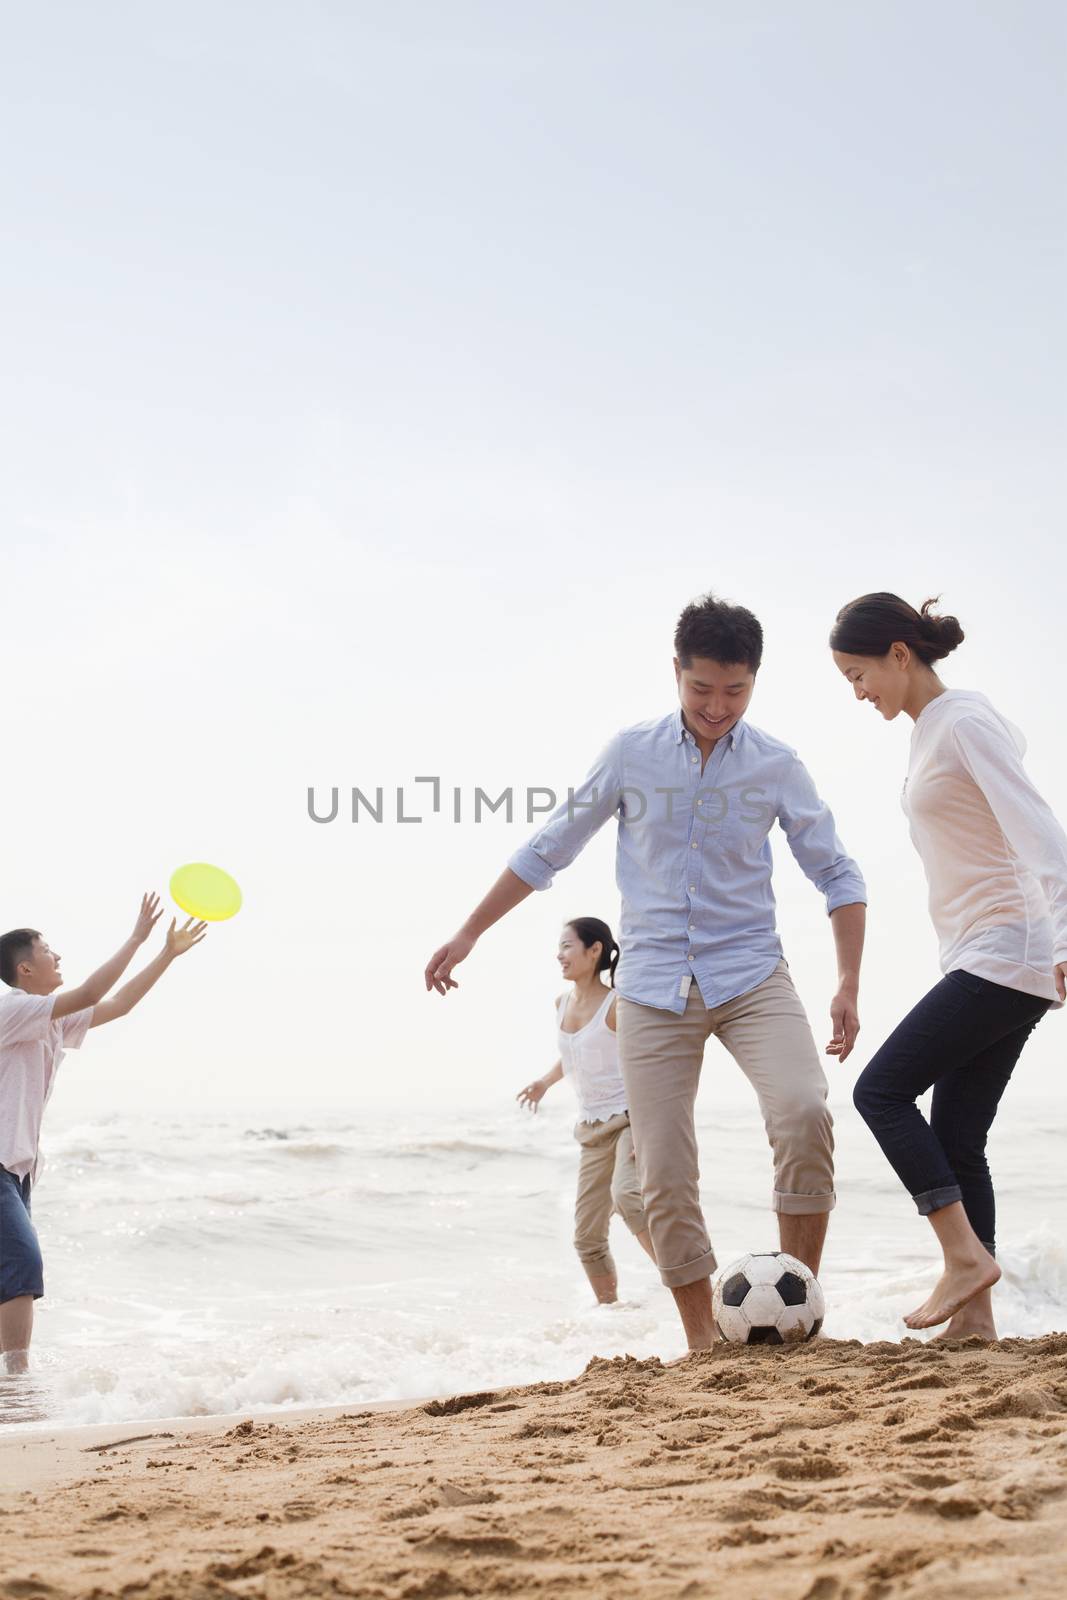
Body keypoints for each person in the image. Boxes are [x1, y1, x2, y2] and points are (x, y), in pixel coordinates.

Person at [426, 592, 867, 1351]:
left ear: (754, 680)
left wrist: (847, 981)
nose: (716, 706)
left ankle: (794, 1318)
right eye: (701, 689)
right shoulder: (631, 752)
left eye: (735, 690)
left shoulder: (776, 765)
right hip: (655, 986)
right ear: (676, 673)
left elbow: (837, 873)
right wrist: (469, 930)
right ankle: (703, 1342)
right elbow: (548, 848)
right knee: (662, 1170)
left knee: (802, 1110)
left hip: (751, 974)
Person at [831, 593, 1067, 1338]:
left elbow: (1038, 832)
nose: (857, 692)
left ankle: (962, 1259)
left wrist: (1063, 939)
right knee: (958, 1135)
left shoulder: (962, 720)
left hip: (1008, 946)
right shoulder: (932, 730)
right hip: (986, 949)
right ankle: (976, 1324)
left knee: (881, 1090)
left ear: (899, 653)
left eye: (858, 673)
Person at [0, 894, 208, 1374]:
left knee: (12, 1273)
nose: (58, 957)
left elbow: (118, 1004)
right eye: (48, 950)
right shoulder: (13, 1010)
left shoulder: (49, 1018)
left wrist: (166, 954)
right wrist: (137, 936)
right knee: (22, 1270)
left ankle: (10, 1379)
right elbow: (93, 991)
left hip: (19, 1170)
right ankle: (17, 1383)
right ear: (25, 970)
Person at [517, 917, 655, 1303]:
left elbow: (643, 1064)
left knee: (628, 1196)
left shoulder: (617, 1004)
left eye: (567, 946)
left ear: (594, 950)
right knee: (587, 1238)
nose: (559, 955)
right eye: (559, 947)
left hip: (630, 1118)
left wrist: (646, 1128)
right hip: (592, 1128)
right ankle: (611, 1316)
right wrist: (545, 1082)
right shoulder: (561, 1004)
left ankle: (686, 1288)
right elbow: (576, 1054)